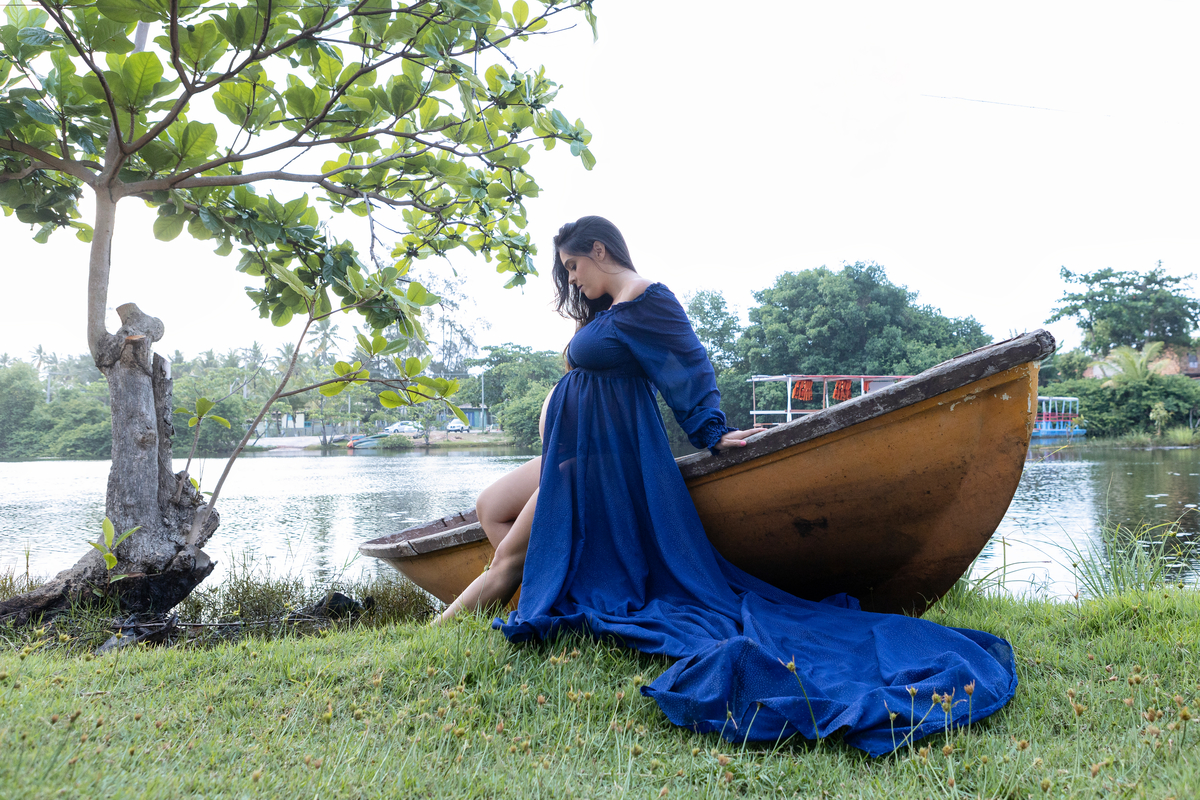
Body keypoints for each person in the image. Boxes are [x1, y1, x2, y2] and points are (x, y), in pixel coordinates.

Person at [436, 216, 1016, 756]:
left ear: (599, 249)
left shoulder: (648, 300)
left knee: (507, 558)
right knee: (491, 506)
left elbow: (687, 366)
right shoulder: (608, 312)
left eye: (572, 266)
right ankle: (555, 582)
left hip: (597, 465)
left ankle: (443, 627)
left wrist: (713, 432)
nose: (571, 279)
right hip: (570, 450)